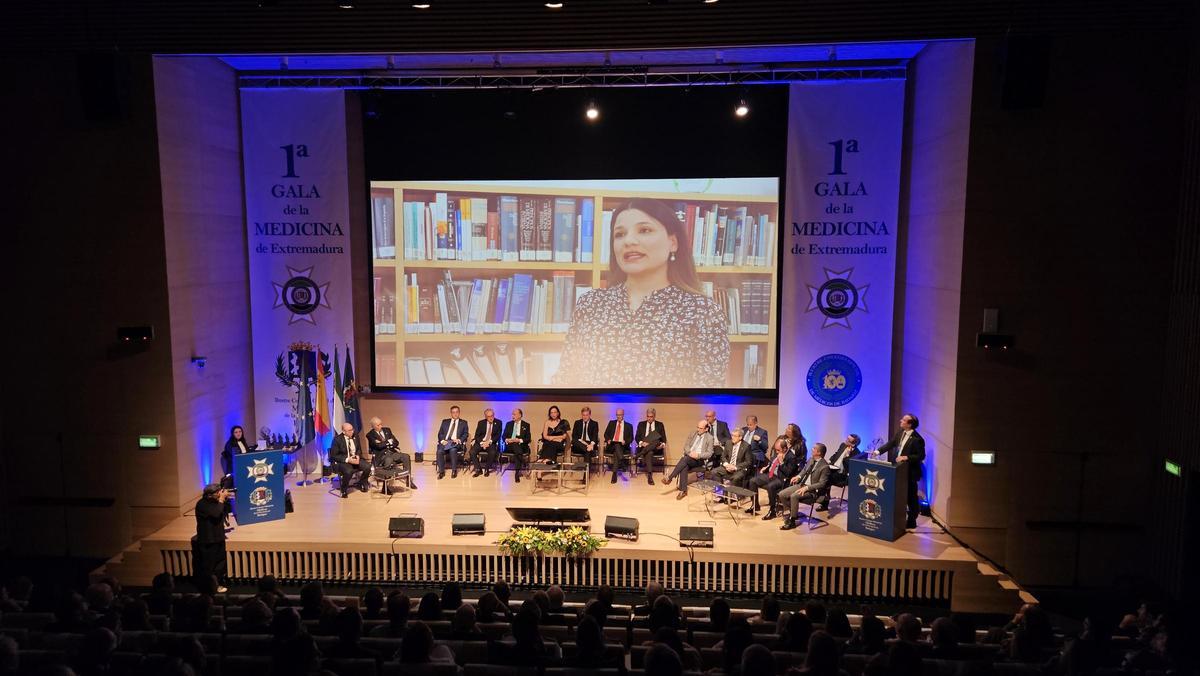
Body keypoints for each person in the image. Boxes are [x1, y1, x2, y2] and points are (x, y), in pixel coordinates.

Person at [552, 197, 731, 388]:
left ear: (673, 242)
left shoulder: (703, 312)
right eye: (620, 234)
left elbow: (707, 392)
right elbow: (566, 379)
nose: (628, 241)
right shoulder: (591, 304)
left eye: (644, 230)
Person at [874, 413, 926, 529]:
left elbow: (921, 456)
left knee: (911, 497)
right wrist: (878, 451)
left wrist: (906, 457)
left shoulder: (917, 439)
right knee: (897, 494)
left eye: (903, 420)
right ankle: (897, 518)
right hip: (897, 469)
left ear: (910, 424)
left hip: (910, 473)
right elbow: (891, 443)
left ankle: (912, 520)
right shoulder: (900, 432)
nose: (900, 421)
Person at [778, 443, 832, 530]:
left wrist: (807, 488)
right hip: (802, 485)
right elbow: (804, 470)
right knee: (782, 494)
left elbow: (822, 484)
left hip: (812, 490)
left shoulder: (825, 466)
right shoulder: (811, 459)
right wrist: (798, 476)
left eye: (814, 448)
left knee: (794, 496)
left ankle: (792, 521)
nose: (812, 449)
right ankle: (792, 513)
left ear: (819, 453)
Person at [661, 419, 714, 498]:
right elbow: (686, 446)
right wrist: (689, 453)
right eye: (697, 427)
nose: (698, 430)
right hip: (689, 457)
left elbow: (709, 453)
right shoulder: (693, 433)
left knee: (684, 460)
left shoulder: (710, 438)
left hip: (699, 460)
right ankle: (683, 491)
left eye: (700, 428)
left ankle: (670, 478)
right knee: (684, 465)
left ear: (706, 429)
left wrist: (698, 455)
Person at [193, 483, 231, 594]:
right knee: (209, 566)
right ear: (209, 495)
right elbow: (216, 513)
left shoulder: (215, 502)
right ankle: (209, 588)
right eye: (217, 492)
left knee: (220, 564)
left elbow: (224, 511)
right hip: (208, 541)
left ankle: (217, 584)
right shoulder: (202, 504)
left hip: (218, 538)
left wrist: (225, 500)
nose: (219, 494)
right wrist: (221, 500)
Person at [748, 435, 797, 517]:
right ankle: (755, 505)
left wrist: (781, 463)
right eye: (775, 449)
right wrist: (767, 467)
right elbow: (772, 463)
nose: (776, 452)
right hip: (771, 474)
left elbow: (788, 473)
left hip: (781, 478)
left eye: (778, 450)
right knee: (753, 481)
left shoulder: (791, 457)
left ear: (785, 449)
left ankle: (772, 510)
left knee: (770, 486)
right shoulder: (778, 452)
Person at [366, 417, 416, 490]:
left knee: (406, 456)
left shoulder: (387, 430)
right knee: (388, 460)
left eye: (381, 424)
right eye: (378, 425)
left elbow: (396, 442)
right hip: (382, 456)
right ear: (373, 426)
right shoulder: (370, 435)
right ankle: (385, 486)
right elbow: (378, 446)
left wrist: (383, 443)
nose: (381, 426)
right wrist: (388, 442)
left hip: (392, 452)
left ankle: (408, 480)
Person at [329, 422, 370, 497]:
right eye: (350, 430)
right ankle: (344, 489)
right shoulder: (337, 439)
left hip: (355, 459)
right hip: (344, 461)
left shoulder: (356, 436)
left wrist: (358, 456)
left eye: (352, 429)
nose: (352, 432)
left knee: (368, 467)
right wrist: (348, 459)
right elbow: (334, 455)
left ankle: (361, 482)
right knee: (348, 471)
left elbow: (359, 449)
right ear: (344, 432)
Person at [821, 433, 861, 509]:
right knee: (821, 473)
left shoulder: (857, 453)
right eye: (847, 438)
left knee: (826, 479)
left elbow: (850, 467)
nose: (846, 440)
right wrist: (830, 460)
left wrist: (847, 456)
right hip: (833, 468)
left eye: (848, 440)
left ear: (854, 444)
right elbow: (836, 454)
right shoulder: (843, 445)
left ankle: (824, 502)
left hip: (842, 474)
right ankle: (824, 497)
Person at [634, 408, 668, 485]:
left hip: (656, 447)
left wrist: (662, 445)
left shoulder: (660, 425)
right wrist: (642, 443)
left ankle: (639, 455)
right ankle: (650, 476)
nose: (649, 418)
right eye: (648, 416)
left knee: (656, 441)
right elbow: (637, 437)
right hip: (645, 447)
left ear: (654, 416)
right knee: (649, 452)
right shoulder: (641, 424)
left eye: (651, 416)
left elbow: (663, 439)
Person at [435, 405, 468, 479]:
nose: (455, 414)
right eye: (453, 412)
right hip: (446, 442)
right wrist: (442, 440)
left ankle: (454, 470)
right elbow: (440, 433)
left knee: (453, 450)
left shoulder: (464, 422)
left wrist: (459, 440)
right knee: (439, 451)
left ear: (459, 412)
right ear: (451, 413)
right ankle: (441, 471)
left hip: (455, 442)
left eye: (457, 412)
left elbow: (465, 434)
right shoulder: (445, 422)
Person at [604, 408, 635, 483]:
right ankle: (622, 461)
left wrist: (625, 442)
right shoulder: (611, 423)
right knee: (616, 445)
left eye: (620, 415)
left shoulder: (629, 426)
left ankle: (614, 474)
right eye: (617, 415)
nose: (618, 416)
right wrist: (608, 440)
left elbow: (631, 438)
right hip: (612, 445)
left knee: (616, 451)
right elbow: (606, 434)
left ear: (623, 415)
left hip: (623, 446)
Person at [471, 407, 503, 477]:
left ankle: (487, 468)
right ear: (485, 417)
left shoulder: (498, 422)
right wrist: (482, 443)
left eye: (492, 415)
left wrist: (489, 442)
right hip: (481, 442)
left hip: (491, 442)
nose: (491, 418)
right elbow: (477, 435)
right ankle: (478, 469)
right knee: (472, 452)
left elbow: (498, 435)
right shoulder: (481, 423)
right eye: (489, 416)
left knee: (492, 452)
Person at [503, 408, 531, 483]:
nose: (512, 416)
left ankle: (517, 472)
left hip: (521, 445)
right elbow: (503, 436)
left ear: (520, 415)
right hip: (510, 446)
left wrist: (519, 440)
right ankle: (522, 464)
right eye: (512, 414)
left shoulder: (526, 425)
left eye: (514, 414)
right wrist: (507, 440)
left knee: (517, 449)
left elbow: (528, 439)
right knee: (517, 450)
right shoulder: (509, 424)